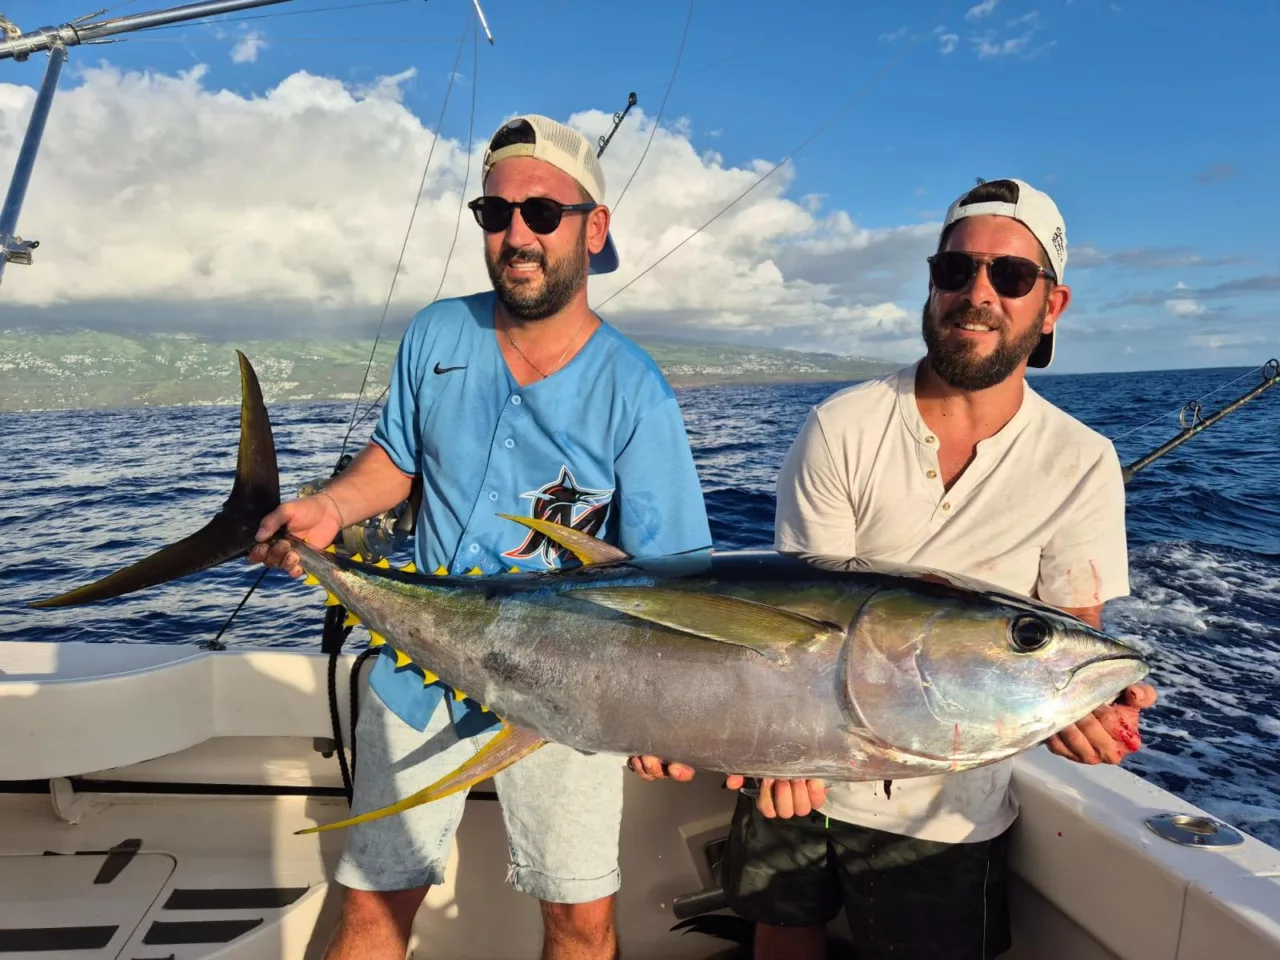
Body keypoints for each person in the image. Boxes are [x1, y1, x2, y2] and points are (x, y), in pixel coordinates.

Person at [643, 178, 1159, 959]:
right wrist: (778, 751)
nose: (977, 293)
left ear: (1051, 306)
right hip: (797, 764)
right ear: (932, 283)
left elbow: (1066, 641)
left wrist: (1087, 712)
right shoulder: (842, 426)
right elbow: (795, 623)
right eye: (956, 269)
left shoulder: (1082, 461)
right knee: (782, 936)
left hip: (950, 809)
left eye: (1011, 275)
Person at [249, 113, 711, 960]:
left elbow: (672, 583)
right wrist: (331, 510)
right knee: (374, 906)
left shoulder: (635, 390)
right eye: (495, 213)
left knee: (581, 923)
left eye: (543, 213)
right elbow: (397, 459)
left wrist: (667, 717)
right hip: (416, 668)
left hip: (569, 689)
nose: (517, 235)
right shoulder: (436, 333)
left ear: (594, 229)